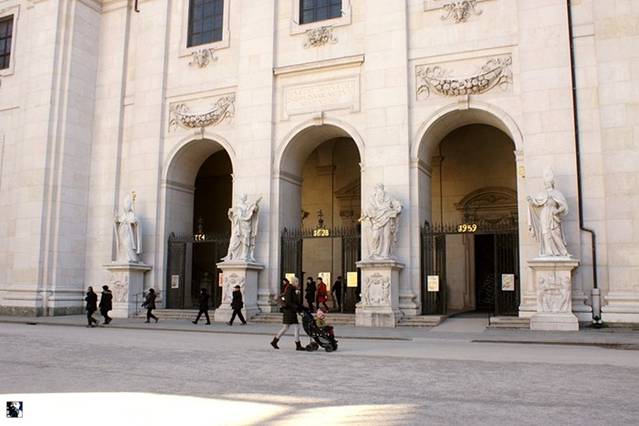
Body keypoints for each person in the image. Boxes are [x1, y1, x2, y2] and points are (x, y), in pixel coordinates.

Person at [270, 277, 304, 351]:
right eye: (296, 282)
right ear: (293, 282)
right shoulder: (289, 289)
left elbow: (295, 301)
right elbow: (289, 301)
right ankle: (298, 345)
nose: (298, 283)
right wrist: (297, 307)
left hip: (289, 311)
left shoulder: (292, 289)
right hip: (289, 311)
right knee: (296, 326)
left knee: (286, 327)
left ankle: (274, 341)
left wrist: (302, 307)